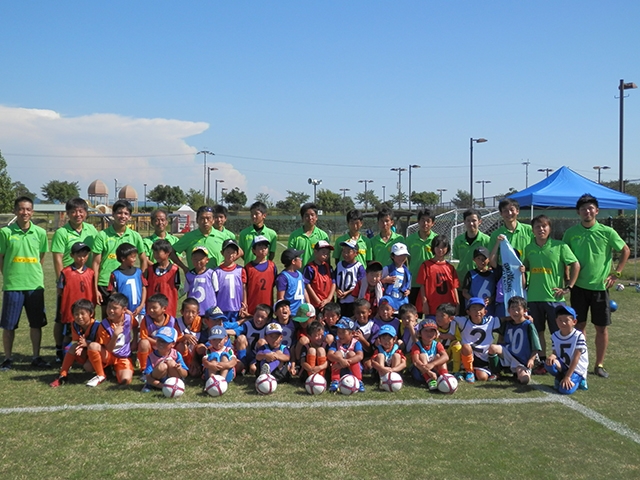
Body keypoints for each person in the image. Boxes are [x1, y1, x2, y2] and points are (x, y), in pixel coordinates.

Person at [562, 194, 630, 378]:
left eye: (590, 208)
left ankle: (599, 365)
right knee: (579, 327)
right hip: (578, 288)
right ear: (578, 212)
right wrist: (567, 277)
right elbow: (563, 257)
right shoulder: (571, 233)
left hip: (600, 288)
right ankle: (581, 363)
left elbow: (625, 250)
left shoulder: (607, 232)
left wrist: (616, 273)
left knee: (601, 328)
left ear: (597, 211)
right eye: (583, 209)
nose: (587, 211)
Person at [524, 214, 579, 372]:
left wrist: (569, 287)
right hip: (534, 297)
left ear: (549, 228)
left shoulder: (560, 246)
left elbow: (575, 264)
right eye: (537, 227)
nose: (541, 229)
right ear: (533, 230)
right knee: (538, 331)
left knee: (559, 332)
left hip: (555, 298)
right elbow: (524, 267)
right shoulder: (529, 248)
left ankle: (560, 360)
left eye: (544, 226)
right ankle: (541, 361)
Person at [0, 196, 50, 370]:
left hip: (34, 285)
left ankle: (36, 357)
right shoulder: (5, 233)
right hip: (13, 285)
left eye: (28, 209)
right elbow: (2, 258)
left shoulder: (40, 233)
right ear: (15, 211)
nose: (25, 212)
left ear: (32, 211)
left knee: (36, 323)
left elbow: (41, 257)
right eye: (21, 209)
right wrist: (8, 275)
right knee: (9, 325)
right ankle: (7, 358)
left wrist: (32, 273)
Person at [51, 197, 98, 358]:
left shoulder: (91, 230)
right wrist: (60, 282)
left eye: (81, 211)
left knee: (86, 315)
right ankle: (59, 349)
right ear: (68, 214)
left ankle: (84, 347)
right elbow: (57, 257)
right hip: (68, 280)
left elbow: (96, 255)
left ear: (86, 213)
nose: (77, 214)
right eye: (73, 211)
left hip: (86, 279)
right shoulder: (61, 232)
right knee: (63, 317)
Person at [92, 199, 147, 318]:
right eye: (119, 212)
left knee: (130, 319)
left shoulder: (135, 236)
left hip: (127, 283)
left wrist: (139, 278)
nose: (122, 216)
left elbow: (143, 259)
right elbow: (96, 263)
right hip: (105, 282)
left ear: (130, 216)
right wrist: (95, 288)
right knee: (108, 318)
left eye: (126, 213)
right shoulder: (102, 235)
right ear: (113, 214)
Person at [55, 242, 96, 362]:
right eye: (79, 255)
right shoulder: (66, 272)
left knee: (87, 335)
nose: (82, 258)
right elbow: (60, 290)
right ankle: (65, 357)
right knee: (68, 335)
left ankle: (87, 358)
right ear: (72, 255)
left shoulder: (91, 273)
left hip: (86, 312)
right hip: (71, 313)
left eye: (85, 255)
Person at [488, 296, 541, 384]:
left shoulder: (528, 325)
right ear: (508, 310)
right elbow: (490, 325)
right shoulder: (507, 323)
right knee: (493, 348)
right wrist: (506, 318)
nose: (515, 312)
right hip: (508, 353)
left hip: (521, 361)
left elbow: (536, 345)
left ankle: (517, 371)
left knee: (524, 380)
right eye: (512, 309)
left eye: (518, 309)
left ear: (524, 310)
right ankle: (496, 372)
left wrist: (531, 359)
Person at [86, 293, 135, 387]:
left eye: (115, 308)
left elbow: (137, 326)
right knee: (93, 347)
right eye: (109, 307)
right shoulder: (104, 325)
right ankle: (101, 375)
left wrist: (135, 339)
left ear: (124, 310)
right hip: (108, 355)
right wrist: (115, 336)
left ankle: (112, 369)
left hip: (123, 357)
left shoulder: (129, 318)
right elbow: (108, 349)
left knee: (126, 380)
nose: (110, 310)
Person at [50, 299, 100, 387]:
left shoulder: (98, 326)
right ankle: (63, 374)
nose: (79, 317)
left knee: (88, 367)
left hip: (102, 354)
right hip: (89, 351)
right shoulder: (75, 325)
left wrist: (86, 344)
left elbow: (103, 346)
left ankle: (103, 373)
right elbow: (78, 340)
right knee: (73, 347)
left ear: (91, 314)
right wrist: (81, 346)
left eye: (82, 314)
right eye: (76, 314)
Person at [545, 305, 589, 394]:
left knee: (565, 390)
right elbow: (555, 353)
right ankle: (560, 377)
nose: (563, 323)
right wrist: (552, 356)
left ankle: (580, 379)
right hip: (564, 364)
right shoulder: (555, 335)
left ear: (574, 321)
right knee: (549, 364)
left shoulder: (579, 336)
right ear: (556, 321)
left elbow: (576, 358)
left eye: (566, 320)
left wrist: (568, 376)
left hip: (576, 368)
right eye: (560, 320)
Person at [457, 297, 501, 383]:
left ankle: (471, 372)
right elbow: (448, 319)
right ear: (468, 312)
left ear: (485, 312)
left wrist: (523, 317)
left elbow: (504, 320)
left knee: (482, 378)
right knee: (466, 346)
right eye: (474, 308)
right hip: (468, 354)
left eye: (480, 309)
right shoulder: (463, 321)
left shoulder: (491, 321)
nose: (477, 311)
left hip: (483, 358)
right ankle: (468, 371)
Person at [171, 205, 227, 271]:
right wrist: (184, 268)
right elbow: (171, 252)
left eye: (208, 218)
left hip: (217, 277)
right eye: (202, 218)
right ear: (197, 220)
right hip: (195, 278)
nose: (205, 221)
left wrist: (225, 264)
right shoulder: (189, 236)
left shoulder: (223, 236)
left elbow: (238, 252)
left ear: (213, 220)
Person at [417, 235, 459, 316]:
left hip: (447, 307)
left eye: (443, 247)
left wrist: (457, 304)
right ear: (433, 248)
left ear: (447, 248)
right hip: (432, 306)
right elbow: (422, 286)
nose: (440, 250)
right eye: (437, 247)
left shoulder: (450, 268)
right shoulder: (426, 265)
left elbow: (454, 288)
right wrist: (424, 303)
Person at [452, 209, 491, 292]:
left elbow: (490, 261)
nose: (471, 223)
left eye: (474, 220)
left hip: (480, 281)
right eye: (468, 220)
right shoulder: (458, 240)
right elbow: (456, 259)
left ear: (480, 221)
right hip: (462, 281)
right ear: (464, 222)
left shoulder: (487, 240)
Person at [140, 326, 188, 393]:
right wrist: (162, 386)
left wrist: (179, 369)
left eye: (165, 341)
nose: (161, 343)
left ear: (173, 344)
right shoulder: (151, 356)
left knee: (171, 363)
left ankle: (176, 384)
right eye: (159, 340)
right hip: (158, 382)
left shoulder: (176, 354)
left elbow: (185, 374)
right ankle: (150, 386)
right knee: (162, 366)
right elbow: (148, 377)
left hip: (173, 379)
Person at [137, 293, 176, 373]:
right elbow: (143, 336)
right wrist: (158, 343)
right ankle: (144, 370)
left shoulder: (171, 321)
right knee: (143, 343)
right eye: (149, 308)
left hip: (166, 348)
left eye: (154, 308)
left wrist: (163, 344)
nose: (151, 310)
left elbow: (174, 338)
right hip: (151, 348)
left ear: (164, 308)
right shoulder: (146, 320)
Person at [405, 209, 437, 305]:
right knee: (413, 312)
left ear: (433, 223)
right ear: (418, 221)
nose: (425, 223)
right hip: (414, 282)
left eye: (428, 221)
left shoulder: (437, 239)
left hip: (431, 282)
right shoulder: (410, 240)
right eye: (422, 220)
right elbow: (406, 261)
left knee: (431, 312)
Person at [109, 242, 147, 322]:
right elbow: (114, 295)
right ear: (123, 258)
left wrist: (141, 305)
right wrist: (125, 310)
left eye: (135, 256)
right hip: (123, 312)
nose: (135, 259)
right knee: (125, 332)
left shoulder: (138, 272)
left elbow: (144, 289)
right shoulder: (115, 274)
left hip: (140, 311)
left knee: (139, 332)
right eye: (132, 257)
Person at [214, 239, 245, 332]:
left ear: (236, 254)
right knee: (222, 330)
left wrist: (244, 303)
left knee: (237, 331)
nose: (230, 255)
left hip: (236, 307)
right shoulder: (217, 271)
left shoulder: (240, 270)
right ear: (222, 253)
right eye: (227, 252)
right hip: (222, 307)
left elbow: (244, 287)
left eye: (233, 252)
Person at [489, 199, 534, 263]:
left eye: (512, 210)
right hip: (506, 272)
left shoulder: (529, 230)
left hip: (527, 272)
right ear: (501, 213)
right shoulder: (496, 235)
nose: (509, 213)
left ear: (517, 211)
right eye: (505, 211)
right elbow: (492, 261)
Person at [327, 317, 365, 393]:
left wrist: (346, 362)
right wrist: (340, 360)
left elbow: (360, 356)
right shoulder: (335, 342)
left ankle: (358, 381)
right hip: (340, 371)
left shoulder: (356, 343)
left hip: (352, 371)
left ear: (352, 333)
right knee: (337, 354)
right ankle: (335, 381)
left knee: (351, 354)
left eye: (343, 332)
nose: (340, 335)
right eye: (338, 332)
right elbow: (329, 355)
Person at [146, 239, 181, 318]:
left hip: (168, 308)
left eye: (158, 253)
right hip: (152, 308)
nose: (156, 255)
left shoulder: (174, 270)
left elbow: (177, 287)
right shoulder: (150, 269)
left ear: (167, 253)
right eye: (154, 253)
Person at [410, 318, 449, 390]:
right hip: (420, 372)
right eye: (426, 331)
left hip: (433, 370)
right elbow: (415, 362)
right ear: (419, 333)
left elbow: (446, 357)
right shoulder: (417, 346)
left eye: (432, 331)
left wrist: (433, 364)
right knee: (422, 355)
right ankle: (430, 380)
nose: (429, 333)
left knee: (439, 356)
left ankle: (444, 377)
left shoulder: (437, 344)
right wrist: (428, 371)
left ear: (436, 334)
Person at [243, 235, 277, 316]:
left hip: (268, 306)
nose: (263, 248)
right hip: (252, 307)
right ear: (253, 250)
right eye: (260, 246)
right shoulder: (248, 267)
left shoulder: (272, 266)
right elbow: (244, 288)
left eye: (265, 246)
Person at [287, 202, 329, 268]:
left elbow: (326, 257)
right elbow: (290, 257)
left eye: (312, 215)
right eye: (306, 215)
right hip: (299, 275)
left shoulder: (323, 236)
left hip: (317, 275)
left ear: (316, 217)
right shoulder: (294, 236)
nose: (310, 218)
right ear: (302, 218)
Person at [234, 304, 272, 375]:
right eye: (257, 316)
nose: (259, 319)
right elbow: (235, 331)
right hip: (247, 352)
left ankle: (257, 364)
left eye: (263, 317)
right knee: (241, 337)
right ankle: (243, 363)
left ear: (268, 320)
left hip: (258, 356)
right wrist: (223, 330)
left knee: (254, 369)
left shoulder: (268, 328)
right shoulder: (248, 324)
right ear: (253, 315)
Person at [461, 246, 499, 315]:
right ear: (474, 259)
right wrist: (475, 301)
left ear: (488, 259)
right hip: (474, 311)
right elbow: (465, 292)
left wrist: (491, 299)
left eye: (484, 258)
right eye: (478, 258)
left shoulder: (493, 274)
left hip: (489, 310)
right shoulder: (471, 274)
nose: (481, 261)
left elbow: (497, 291)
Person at [334, 239, 366, 318]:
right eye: (344, 251)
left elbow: (361, 284)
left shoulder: (359, 267)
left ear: (356, 253)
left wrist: (347, 293)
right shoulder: (339, 265)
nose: (345, 254)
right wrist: (337, 290)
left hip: (352, 301)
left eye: (348, 251)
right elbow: (334, 279)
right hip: (340, 301)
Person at [184, 246, 218, 315]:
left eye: (201, 259)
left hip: (209, 310)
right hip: (194, 312)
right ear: (191, 259)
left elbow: (216, 291)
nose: (198, 261)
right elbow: (188, 292)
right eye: (195, 259)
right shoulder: (189, 275)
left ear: (207, 260)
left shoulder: (211, 273)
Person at [303, 240, 336, 310]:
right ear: (315, 252)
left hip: (328, 304)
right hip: (316, 304)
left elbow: (333, 283)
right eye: (323, 252)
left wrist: (328, 299)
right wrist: (319, 302)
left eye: (328, 253)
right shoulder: (310, 268)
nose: (326, 255)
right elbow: (307, 285)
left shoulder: (329, 267)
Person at [276, 248, 309, 316]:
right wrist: (285, 312)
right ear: (293, 261)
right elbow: (280, 298)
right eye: (299, 258)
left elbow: (304, 290)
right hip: (292, 314)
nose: (301, 260)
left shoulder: (299, 274)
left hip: (302, 312)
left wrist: (308, 304)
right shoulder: (283, 277)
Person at [174, 297, 202, 375]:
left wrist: (194, 360)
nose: (190, 315)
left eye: (193, 312)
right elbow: (173, 340)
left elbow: (200, 341)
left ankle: (200, 366)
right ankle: (181, 365)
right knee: (181, 345)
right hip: (182, 351)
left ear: (198, 313)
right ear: (182, 312)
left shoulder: (200, 322)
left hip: (194, 353)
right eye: (187, 312)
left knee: (201, 347)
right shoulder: (176, 323)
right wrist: (184, 337)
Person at [381, 243, 411, 311]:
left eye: (404, 255)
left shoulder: (407, 272)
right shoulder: (387, 269)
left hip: (403, 303)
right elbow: (376, 281)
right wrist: (384, 280)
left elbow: (408, 286)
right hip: (390, 304)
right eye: (399, 255)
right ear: (392, 256)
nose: (401, 258)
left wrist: (408, 291)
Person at [435, 303, 462, 374]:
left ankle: (456, 371)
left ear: (451, 318)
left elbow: (459, 340)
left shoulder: (454, 326)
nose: (438, 318)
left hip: (449, 353)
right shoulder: (433, 326)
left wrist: (449, 336)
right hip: (436, 354)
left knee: (456, 344)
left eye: (442, 316)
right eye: (437, 315)